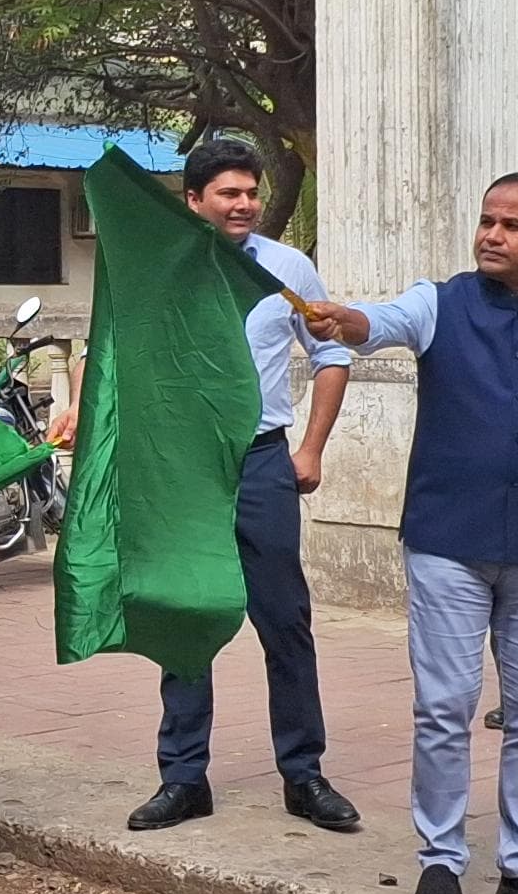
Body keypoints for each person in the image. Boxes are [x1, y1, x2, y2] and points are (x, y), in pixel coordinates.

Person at [300, 174, 518, 894]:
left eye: (509, 225)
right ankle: (440, 863)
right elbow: (375, 323)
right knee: (445, 709)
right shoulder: (439, 302)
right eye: (484, 220)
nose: (490, 235)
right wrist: (343, 321)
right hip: (447, 542)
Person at [123, 140, 361, 836]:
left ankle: (304, 775)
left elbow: (332, 352)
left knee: (283, 619)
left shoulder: (286, 271)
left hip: (261, 463)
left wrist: (309, 447)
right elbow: (119, 352)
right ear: (192, 200)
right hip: (182, 469)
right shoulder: (159, 268)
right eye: (227, 192)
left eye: (250, 192)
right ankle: (182, 778)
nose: (244, 204)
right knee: (185, 614)